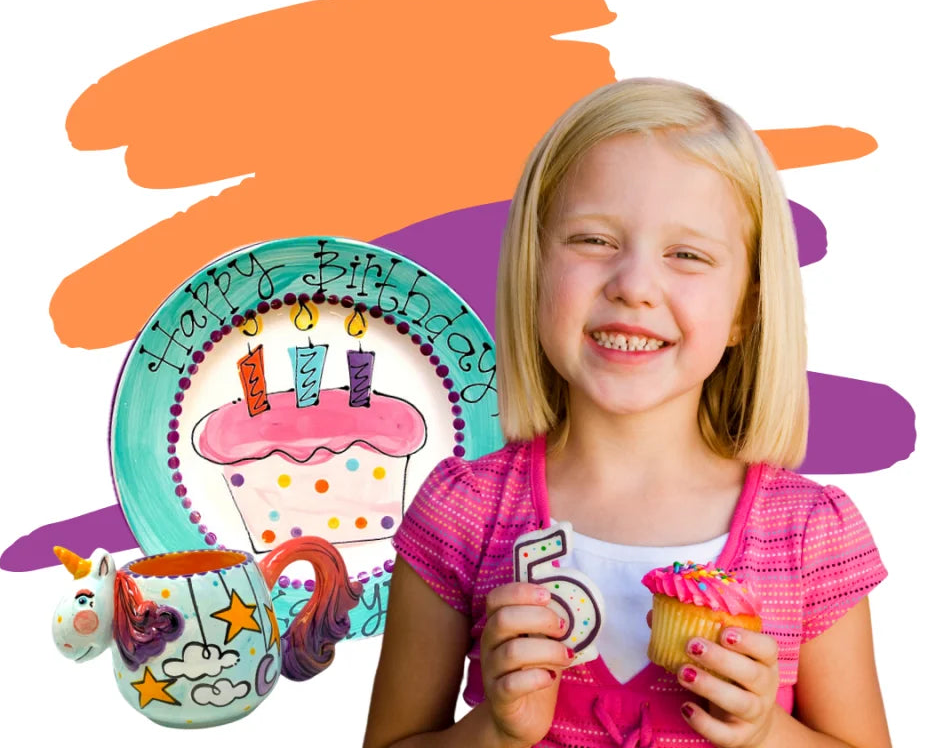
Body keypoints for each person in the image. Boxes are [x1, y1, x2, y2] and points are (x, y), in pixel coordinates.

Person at [363, 78, 891, 747]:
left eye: (688, 255)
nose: (635, 286)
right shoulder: (461, 514)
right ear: (535, 269)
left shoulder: (811, 536)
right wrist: (494, 732)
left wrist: (765, 735)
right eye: (593, 240)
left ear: (745, 311)